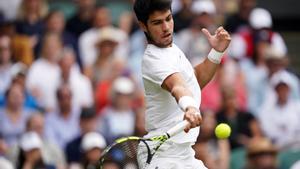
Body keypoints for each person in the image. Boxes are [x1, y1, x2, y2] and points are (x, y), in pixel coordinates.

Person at [133, 0, 231, 168]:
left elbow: (195, 80)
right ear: (143, 26)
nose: (166, 27)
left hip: (184, 154)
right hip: (161, 156)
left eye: (168, 19)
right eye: (157, 22)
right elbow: (177, 86)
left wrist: (216, 52)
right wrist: (190, 107)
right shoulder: (154, 58)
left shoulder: (172, 50)